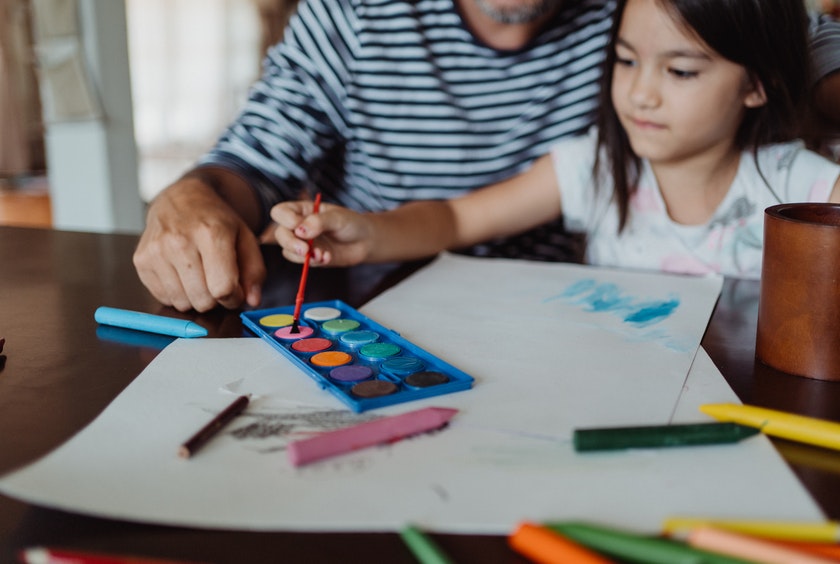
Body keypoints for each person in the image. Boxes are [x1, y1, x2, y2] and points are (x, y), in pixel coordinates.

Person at [133, 0, 840, 312]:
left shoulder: (646, 9)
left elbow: (782, 37)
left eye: (677, 72)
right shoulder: (352, 16)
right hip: (390, 322)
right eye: (624, 63)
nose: (642, 93)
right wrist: (188, 202)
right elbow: (250, 161)